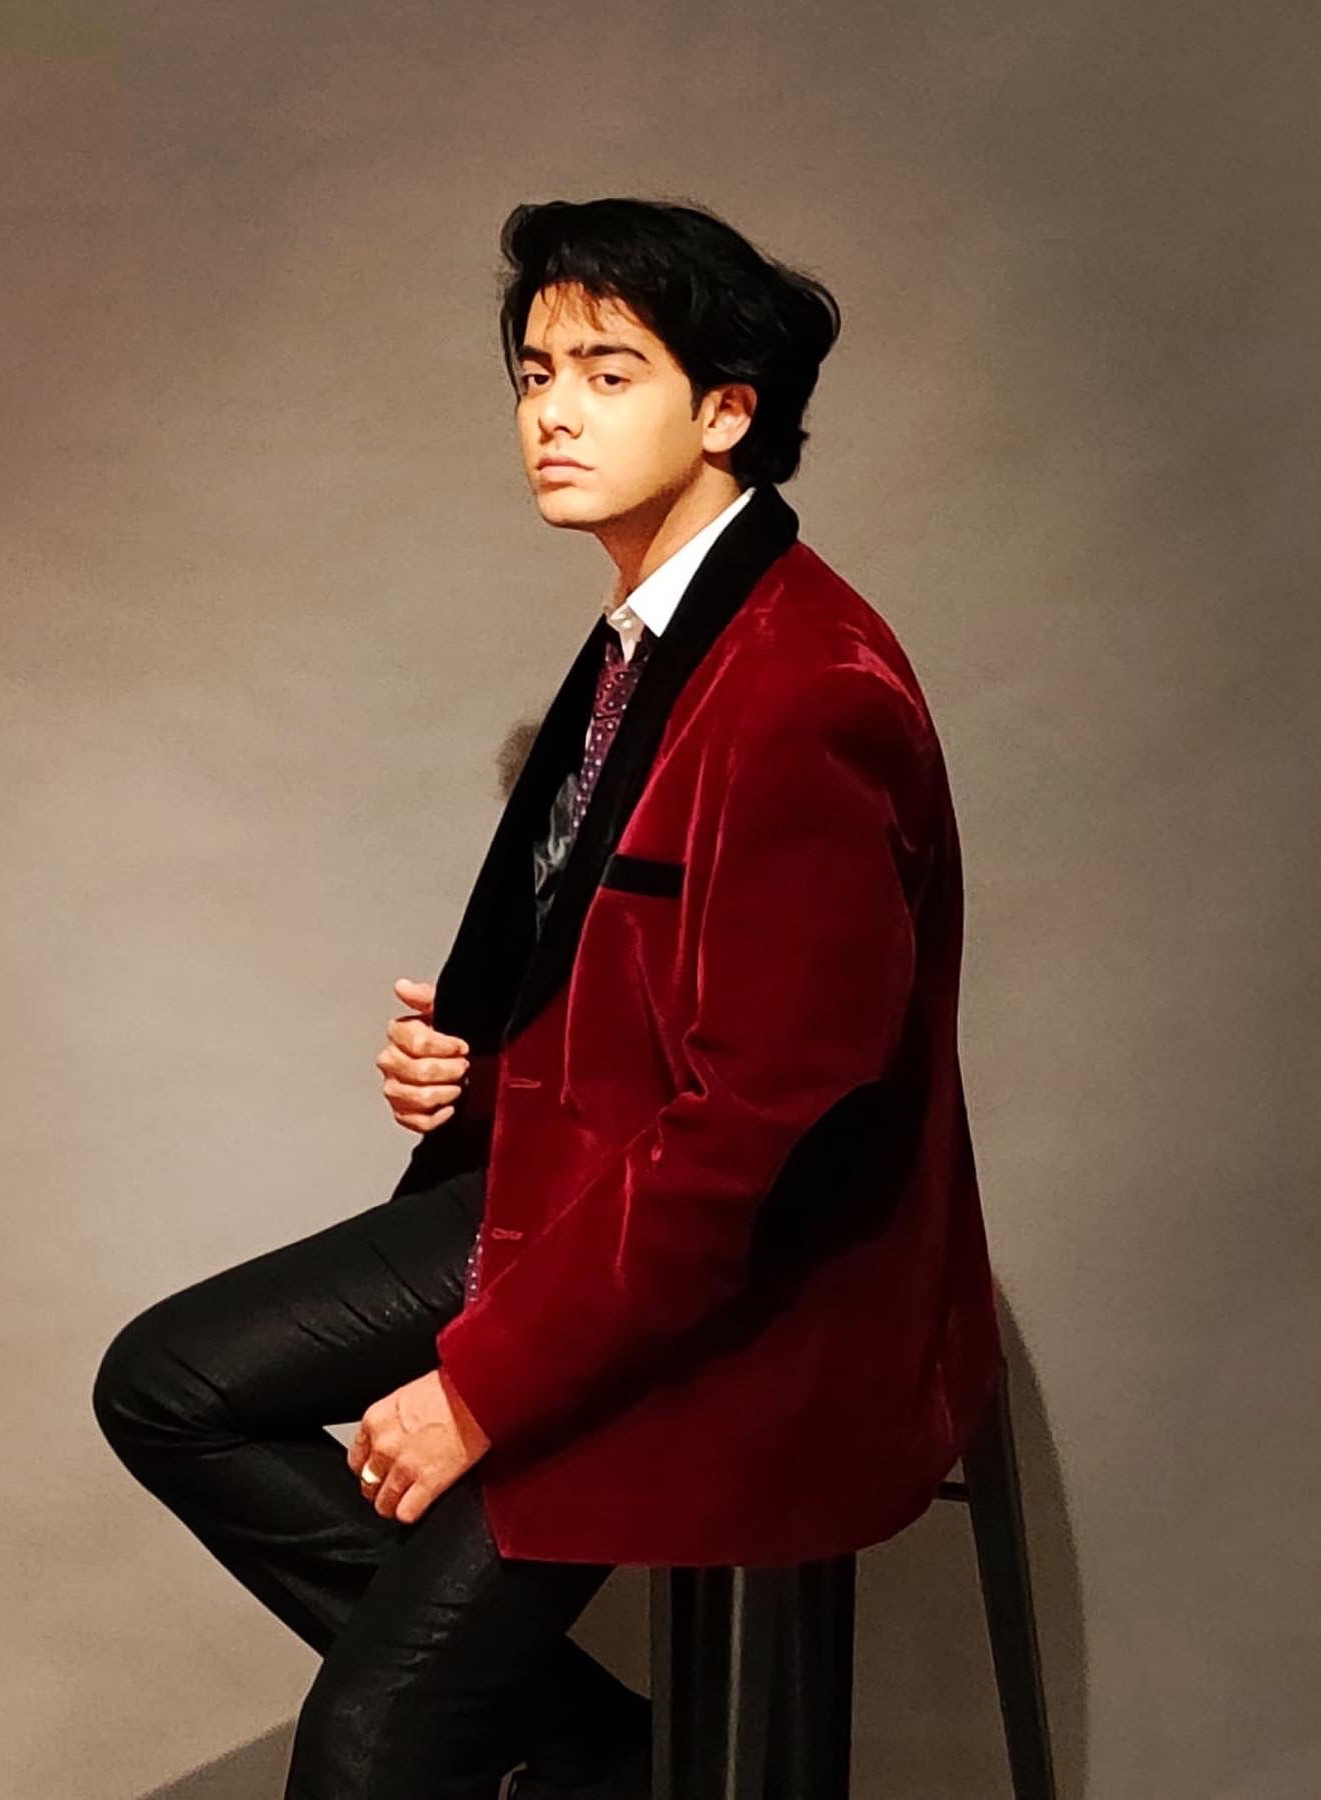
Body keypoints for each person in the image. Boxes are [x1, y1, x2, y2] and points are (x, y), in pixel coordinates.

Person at [92, 196, 1003, 1800]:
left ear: (726, 412)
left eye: (607, 372)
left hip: (752, 1281)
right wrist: (476, 1070)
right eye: (533, 374)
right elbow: (634, 994)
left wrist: (479, 1389)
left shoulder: (805, 690)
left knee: (369, 1748)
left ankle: (527, 1740)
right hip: (583, 1191)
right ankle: (596, 1751)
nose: (552, 414)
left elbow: (765, 1129)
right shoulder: (652, 639)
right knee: (168, 1386)